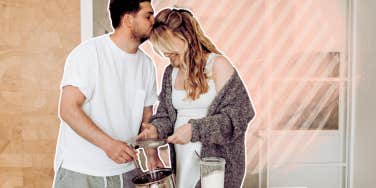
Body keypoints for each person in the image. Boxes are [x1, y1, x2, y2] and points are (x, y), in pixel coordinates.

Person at [138, 8, 255, 188]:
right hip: (184, 160)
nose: (164, 53)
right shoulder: (171, 72)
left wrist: (195, 130)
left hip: (215, 164)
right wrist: (155, 130)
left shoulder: (218, 65)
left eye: (167, 44)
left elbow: (238, 115)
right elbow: (166, 116)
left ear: (186, 37)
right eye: (159, 47)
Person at [53, 0, 157, 187]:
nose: (153, 21)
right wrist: (108, 145)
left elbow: (146, 121)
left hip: (126, 172)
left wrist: (151, 156)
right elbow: (67, 109)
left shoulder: (147, 65)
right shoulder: (88, 54)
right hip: (81, 172)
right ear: (128, 20)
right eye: (147, 15)